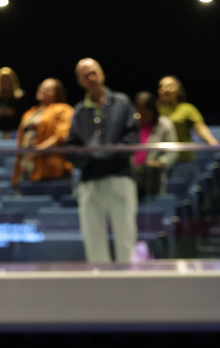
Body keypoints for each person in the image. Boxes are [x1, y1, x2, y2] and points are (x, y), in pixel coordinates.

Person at [68, 58, 139, 263]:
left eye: (94, 72)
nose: (91, 78)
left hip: (119, 177)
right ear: (79, 81)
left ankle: (129, 279)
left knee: (125, 236)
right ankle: (98, 280)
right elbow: (72, 146)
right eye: (85, 75)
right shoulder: (79, 111)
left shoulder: (122, 102)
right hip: (89, 181)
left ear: (102, 74)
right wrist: (90, 158)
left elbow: (132, 137)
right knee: (93, 239)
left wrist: (108, 156)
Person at [12, 78, 74, 188]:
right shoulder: (30, 113)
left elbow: (61, 135)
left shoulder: (63, 109)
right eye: (42, 87)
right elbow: (21, 140)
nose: (43, 90)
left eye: (48, 89)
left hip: (49, 165)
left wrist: (40, 149)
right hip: (26, 163)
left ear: (57, 94)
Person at [157, 75, 220, 162]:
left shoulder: (187, 108)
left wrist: (211, 141)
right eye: (162, 86)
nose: (166, 89)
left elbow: (200, 128)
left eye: (170, 86)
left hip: (183, 159)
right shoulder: (155, 111)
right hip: (160, 160)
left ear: (178, 90)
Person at [131, 92, 178, 199]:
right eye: (139, 114)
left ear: (153, 111)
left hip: (153, 176)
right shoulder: (132, 123)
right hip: (133, 175)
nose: (141, 117)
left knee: (153, 205)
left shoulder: (165, 124)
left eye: (145, 114)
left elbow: (173, 152)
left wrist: (160, 162)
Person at [0, 66, 27, 133]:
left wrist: (14, 112)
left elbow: (27, 115)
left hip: (16, 129)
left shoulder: (20, 96)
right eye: (2, 80)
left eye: (7, 80)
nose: (4, 82)